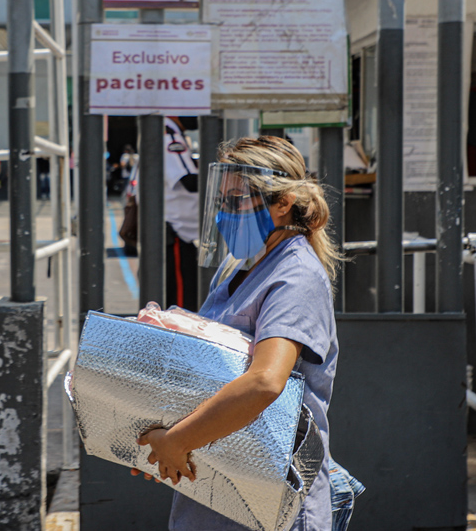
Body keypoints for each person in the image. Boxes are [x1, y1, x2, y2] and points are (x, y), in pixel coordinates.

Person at [134, 135, 359, 530]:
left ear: (283, 203)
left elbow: (264, 382)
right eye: (221, 202)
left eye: (236, 201)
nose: (225, 214)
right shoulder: (238, 266)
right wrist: (160, 439)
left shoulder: (296, 275)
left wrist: (178, 440)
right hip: (215, 488)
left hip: (269, 500)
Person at [163, 117, 199, 311]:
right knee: (180, 307)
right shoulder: (169, 136)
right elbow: (189, 181)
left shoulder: (170, 133)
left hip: (177, 231)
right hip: (177, 231)